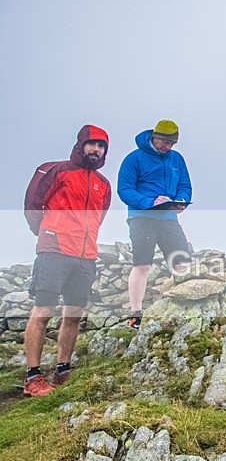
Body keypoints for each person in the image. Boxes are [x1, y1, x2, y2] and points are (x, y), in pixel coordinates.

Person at [22, 125, 112, 396]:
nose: (96, 150)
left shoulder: (103, 184)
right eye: (92, 144)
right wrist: (49, 232)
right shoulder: (56, 170)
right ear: (81, 145)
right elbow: (32, 206)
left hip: (85, 256)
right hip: (54, 251)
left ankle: (62, 371)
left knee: (73, 315)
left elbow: (99, 217)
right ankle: (32, 378)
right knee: (43, 312)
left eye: (101, 146)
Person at [117, 120, 192, 329]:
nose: (165, 146)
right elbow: (124, 189)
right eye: (162, 141)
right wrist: (150, 203)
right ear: (153, 136)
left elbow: (185, 186)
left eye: (170, 144)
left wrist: (182, 202)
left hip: (169, 218)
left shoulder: (177, 160)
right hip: (142, 218)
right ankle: (136, 314)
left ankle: (183, 305)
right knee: (142, 264)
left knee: (182, 262)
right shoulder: (134, 158)